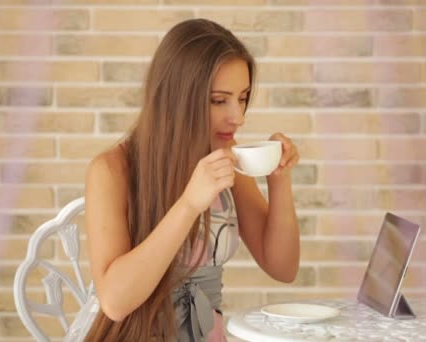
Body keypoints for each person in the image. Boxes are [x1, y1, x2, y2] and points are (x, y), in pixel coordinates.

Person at [83, 18, 300, 342]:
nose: (237, 117)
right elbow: (115, 302)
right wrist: (189, 204)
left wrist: (279, 179)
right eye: (219, 100)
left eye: (242, 97)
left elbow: (282, 268)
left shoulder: (226, 157)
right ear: (176, 97)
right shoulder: (112, 170)